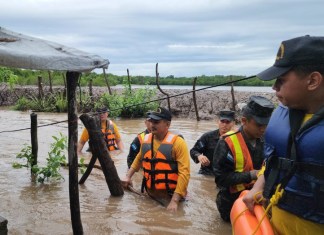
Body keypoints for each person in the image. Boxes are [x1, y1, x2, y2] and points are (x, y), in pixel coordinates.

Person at [243, 36, 324, 234]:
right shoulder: (285, 111)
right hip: (274, 222)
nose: (274, 87)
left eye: (281, 80)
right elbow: (274, 160)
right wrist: (258, 186)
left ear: (313, 80)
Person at [212, 96, 274, 222]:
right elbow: (221, 179)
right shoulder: (226, 142)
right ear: (244, 121)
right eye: (259, 125)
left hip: (259, 200)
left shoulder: (268, 139)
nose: (263, 129)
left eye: (266, 125)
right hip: (231, 202)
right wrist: (252, 174)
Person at [122, 107, 190, 212]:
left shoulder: (178, 143)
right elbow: (139, 159)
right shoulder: (146, 139)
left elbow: (184, 173)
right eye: (151, 121)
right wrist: (128, 177)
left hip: (171, 196)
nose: (152, 125)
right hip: (149, 194)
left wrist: (174, 201)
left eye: (156, 122)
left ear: (167, 124)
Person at [190, 110, 235, 175]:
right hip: (206, 173)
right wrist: (199, 156)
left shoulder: (237, 139)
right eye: (222, 121)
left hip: (226, 176)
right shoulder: (207, 137)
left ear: (233, 123)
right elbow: (193, 150)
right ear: (218, 122)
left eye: (228, 122)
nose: (224, 125)